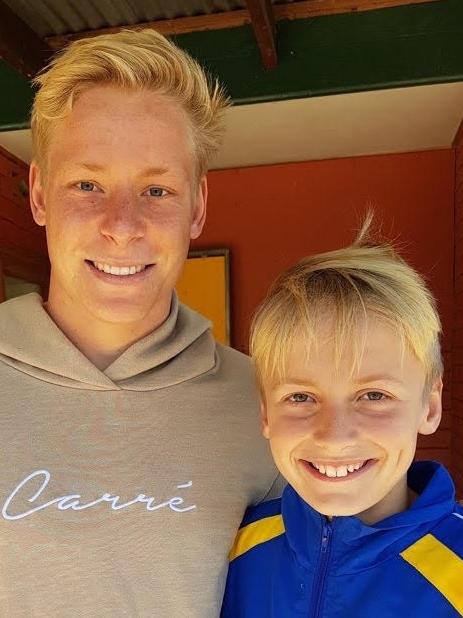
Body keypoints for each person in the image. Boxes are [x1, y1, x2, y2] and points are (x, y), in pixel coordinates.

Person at [0, 29, 279, 617]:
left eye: (156, 189)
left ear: (197, 206)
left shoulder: (269, 411)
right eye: (87, 185)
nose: (122, 225)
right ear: (39, 194)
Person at [221, 217, 463, 617]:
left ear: (430, 406)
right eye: (300, 397)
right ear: (265, 412)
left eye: (373, 395)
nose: (334, 436)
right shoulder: (236, 547)